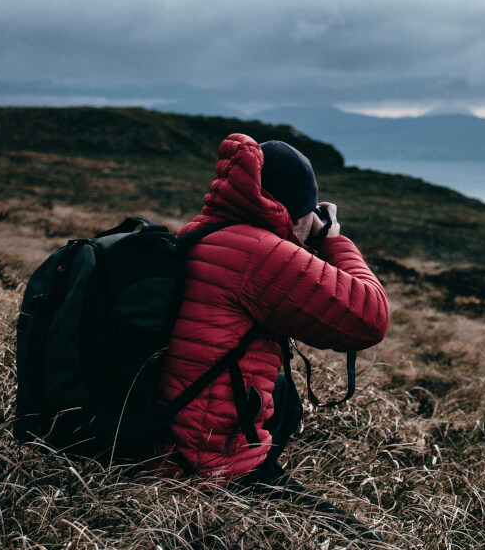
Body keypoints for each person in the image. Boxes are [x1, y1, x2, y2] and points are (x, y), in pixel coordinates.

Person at [154, 133, 389, 487]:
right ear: (296, 212)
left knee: (281, 393)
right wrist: (333, 240)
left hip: (157, 439)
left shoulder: (202, 231)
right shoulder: (261, 254)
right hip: (201, 467)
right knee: (359, 539)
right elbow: (370, 317)